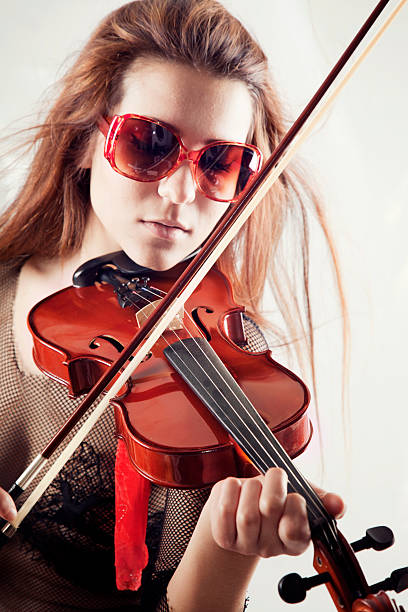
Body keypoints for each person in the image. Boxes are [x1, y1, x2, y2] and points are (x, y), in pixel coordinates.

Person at [0, 1, 344, 610]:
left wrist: (232, 545)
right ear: (85, 141)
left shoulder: (237, 362)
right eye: (150, 141)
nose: (181, 192)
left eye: (219, 161)